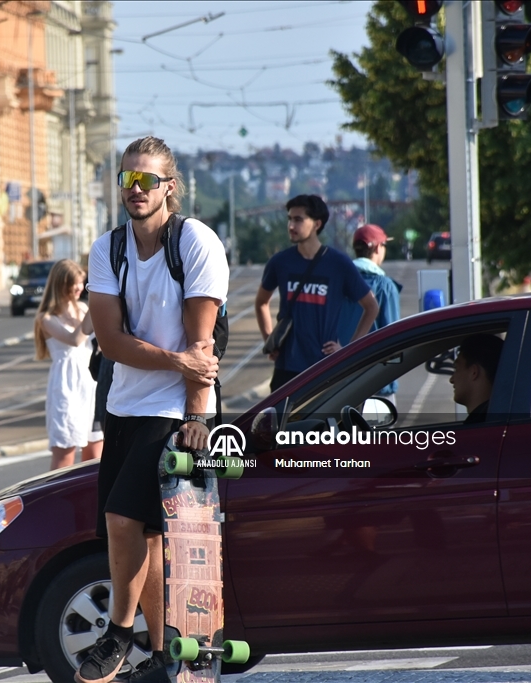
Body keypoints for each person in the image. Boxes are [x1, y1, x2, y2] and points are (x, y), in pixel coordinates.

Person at [82, 136, 227, 683]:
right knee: (141, 536)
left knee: (123, 519)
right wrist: (177, 362)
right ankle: (168, 656)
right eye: (127, 179)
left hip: (172, 412)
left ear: (171, 186)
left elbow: (203, 346)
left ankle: (118, 633)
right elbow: (112, 343)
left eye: (147, 180)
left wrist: (196, 416)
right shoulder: (108, 249)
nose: (135, 190)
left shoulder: (194, 242)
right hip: (122, 406)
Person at [255, 194, 379, 392]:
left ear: (316, 224)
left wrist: (348, 349)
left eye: (298, 219)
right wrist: (270, 340)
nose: (291, 225)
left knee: (322, 423)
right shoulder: (280, 263)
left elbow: (371, 306)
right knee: (279, 423)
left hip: (325, 366)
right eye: (289, 219)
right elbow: (261, 302)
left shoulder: (338, 264)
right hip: (287, 367)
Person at [34, 259, 102, 470]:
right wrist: (97, 304)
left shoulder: (82, 308)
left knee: (95, 456)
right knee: (65, 455)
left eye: (81, 282)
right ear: (60, 285)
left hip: (91, 385)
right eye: (74, 283)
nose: (79, 288)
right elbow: (74, 339)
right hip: (66, 388)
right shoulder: (46, 318)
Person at [337, 224, 402, 401]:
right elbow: (392, 338)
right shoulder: (385, 286)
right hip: (376, 384)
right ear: (378, 247)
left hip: (339, 384)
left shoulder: (336, 283)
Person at [451, 333, 504, 425]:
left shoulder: (481, 428)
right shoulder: (497, 419)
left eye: (456, 368)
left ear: (473, 372)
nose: (451, 379)